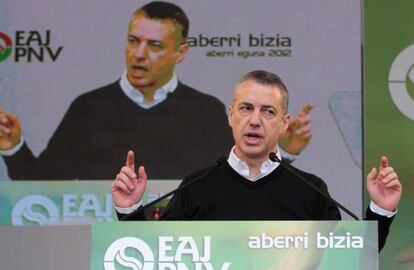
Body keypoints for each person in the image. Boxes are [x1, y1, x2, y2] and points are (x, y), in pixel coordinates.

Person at [0, 1, 311, 180]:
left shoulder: (203, 110)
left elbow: (239, 179)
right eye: (134, 41)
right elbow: (44, 189)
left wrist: (283, 152)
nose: (139, 54)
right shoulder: (89, 107)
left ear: (181, 52)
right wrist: (14, 147)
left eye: (155, 45)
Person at [112, 70, 402, 251]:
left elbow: (348, 256)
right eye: (246, 108)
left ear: (284, 123)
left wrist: (380, 209)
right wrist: (129, 210)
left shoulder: (311, 189)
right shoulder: (196, 187)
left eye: (268, 111)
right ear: (230, 115)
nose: (254, 121)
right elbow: (153, 257)